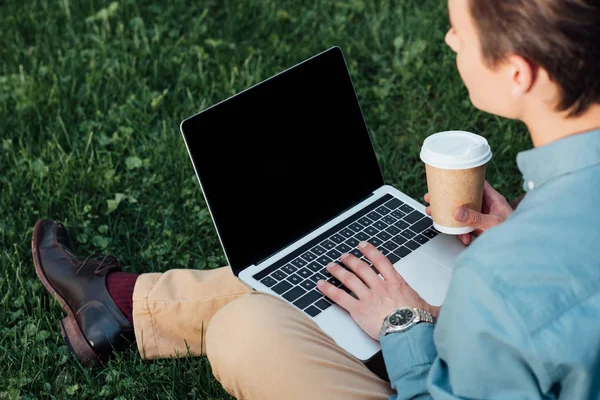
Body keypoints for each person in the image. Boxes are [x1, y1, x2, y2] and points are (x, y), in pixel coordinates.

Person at [32, 0, 600, 398]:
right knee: (329, 260)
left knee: (244, 330)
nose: (450, 39)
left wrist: (403, 324)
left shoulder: (499, 283)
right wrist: (521, 233)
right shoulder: (525, 253)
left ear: (519, 73)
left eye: (460, 30)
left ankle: (121, 305)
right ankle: (125, 305)